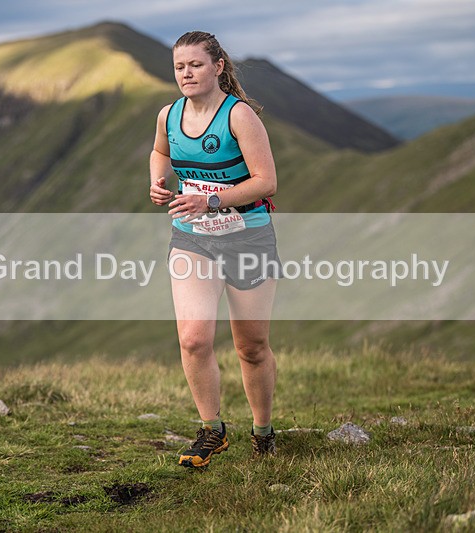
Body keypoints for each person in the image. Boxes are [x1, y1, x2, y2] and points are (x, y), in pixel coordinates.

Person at [149, 31, 279, 468]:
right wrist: (158, 180)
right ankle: (212, 430)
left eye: (196, 65)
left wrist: (212, 199)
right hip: (193, 237)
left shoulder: (239, 116)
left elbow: (266, 181)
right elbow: (158, 151)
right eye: (179, 67)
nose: (187, 73)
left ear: (218, 66)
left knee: (252, 346)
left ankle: (262, 432)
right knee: (193, 339)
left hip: (248, 236)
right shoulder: (168, 114)